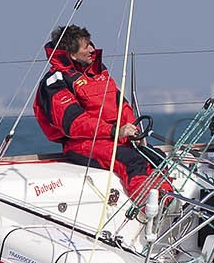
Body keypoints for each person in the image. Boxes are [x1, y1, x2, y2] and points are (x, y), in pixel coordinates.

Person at [33, 25, 164, 197]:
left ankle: (168, 202)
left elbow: (121, 105)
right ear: (72, 54)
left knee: (157, 158)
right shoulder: (55, 82)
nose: (92, 50)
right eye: (86, 46)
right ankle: (147, 205)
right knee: (132, 161)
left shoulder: (99, 74)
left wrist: (133, 130)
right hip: (82, 143)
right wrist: (114, 131)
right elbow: (74, 123)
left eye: (91, 44)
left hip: (112, 137)